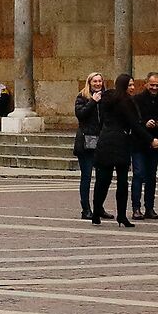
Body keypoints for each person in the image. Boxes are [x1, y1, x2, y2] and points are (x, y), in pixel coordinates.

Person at [92, 74, 142, 226]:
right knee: (121, 181)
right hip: (120, 142)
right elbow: (134, 123)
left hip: (106, 140)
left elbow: (101, 119)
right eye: (130, 85)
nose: (132, 88)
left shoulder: (107, 98)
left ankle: (96, 213)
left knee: (103, 180)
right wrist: (150, 139)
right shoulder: (126, 101)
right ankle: (121, 216)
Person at [72, 72, 106, 220]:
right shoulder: (82, 96)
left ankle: (99, 207)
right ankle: (85, 209)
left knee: (102, 177)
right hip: (85, 141)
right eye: (95, 82)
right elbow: (80, 114)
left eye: (100, 81)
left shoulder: (106, 97)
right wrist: (93, 101)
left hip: (101, 141)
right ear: (89, 83)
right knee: (86, 176)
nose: (98, 84)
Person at [134, 73, 158, 218]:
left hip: (156, 143)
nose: (154, 88)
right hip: (139, 143)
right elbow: (134, 121)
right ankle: (136, 208)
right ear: (146, 84)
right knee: (139, 174)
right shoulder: (138, 99)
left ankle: (149, 208)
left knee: (151, 177)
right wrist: (145, 123)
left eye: (157, 85)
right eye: (152, 85)